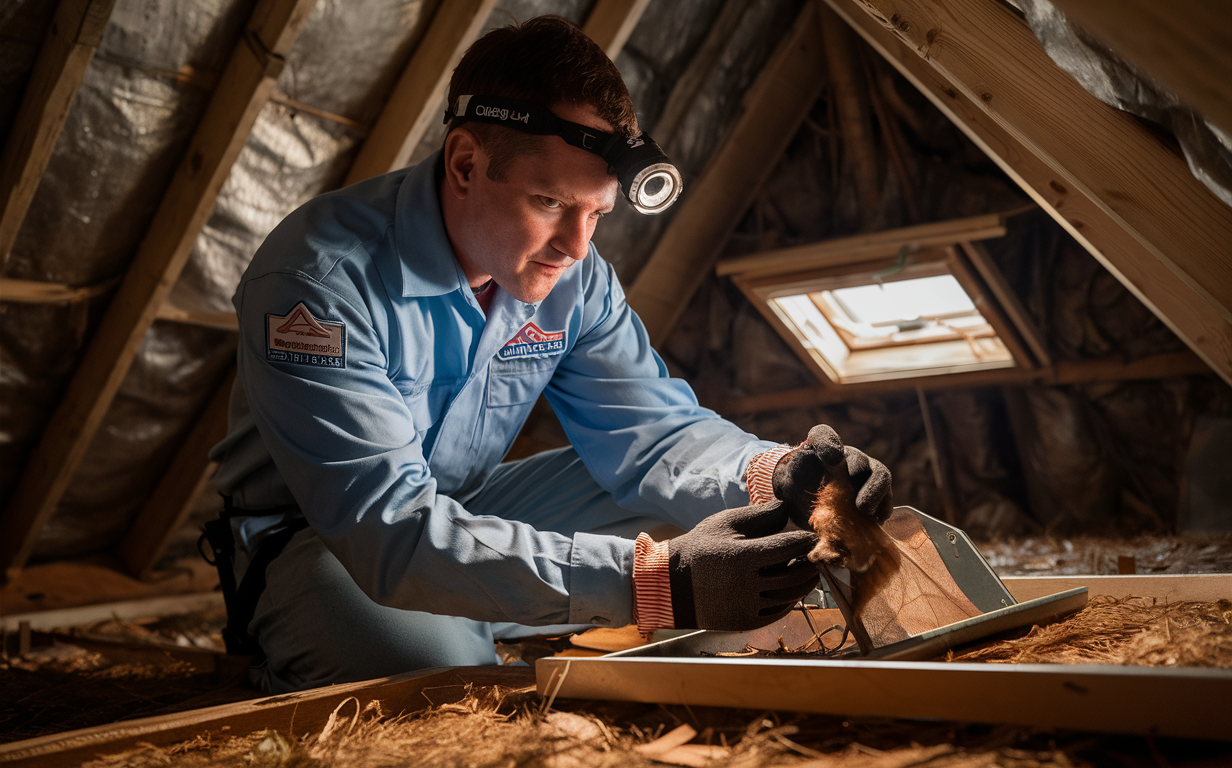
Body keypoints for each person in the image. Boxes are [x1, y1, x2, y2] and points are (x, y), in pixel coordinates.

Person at [206, 16, 891, 693]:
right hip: (324, 541)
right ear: (466, 162)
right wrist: (656, 584)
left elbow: (654, 435)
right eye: (549, 202)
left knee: (736, 518)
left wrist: (776, 473)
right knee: (438, 672)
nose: (576, 245)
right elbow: (390, 531)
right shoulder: (315, 286)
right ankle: (298, 645)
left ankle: (506, 608)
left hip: (466, 504)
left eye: (597, 212)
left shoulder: (573, 275)